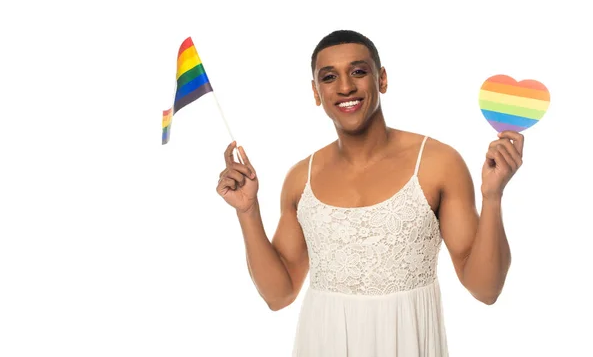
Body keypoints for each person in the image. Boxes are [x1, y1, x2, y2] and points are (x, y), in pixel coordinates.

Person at [216, 30, 524, 356]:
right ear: (316, 92)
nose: (345, 86)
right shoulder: (299, 179)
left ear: (382, 79)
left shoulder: (438, 163)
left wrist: (493, 196)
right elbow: (278, 296)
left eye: (358, 71)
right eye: (329, 77)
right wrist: (247, 211)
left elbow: (486, 289)